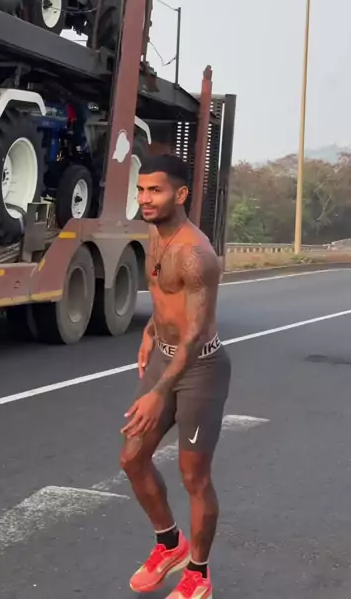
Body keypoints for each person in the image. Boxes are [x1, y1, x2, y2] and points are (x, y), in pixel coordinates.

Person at [120, 153, 231, 599]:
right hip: (165, 360)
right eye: (141, 190)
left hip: (200, 368)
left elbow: (195, 331)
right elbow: (167, 300)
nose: (145, 199)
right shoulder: (155, 232)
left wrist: (158, 392)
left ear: (180, 194)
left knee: (194, 477)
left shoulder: (197, 255)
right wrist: (150, 331)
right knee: (132, 458)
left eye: (155, 191)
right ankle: (170, 544)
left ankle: (198, 574)